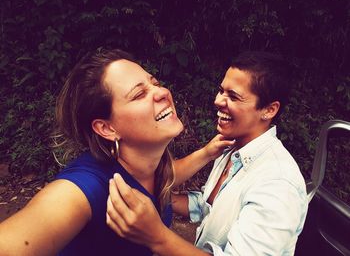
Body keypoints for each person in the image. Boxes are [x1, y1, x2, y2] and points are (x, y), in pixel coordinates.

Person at [0, 48, 234, 255]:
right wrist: (158, 238)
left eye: (155, 82)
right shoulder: (84, 189)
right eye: (139, 94)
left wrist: (207, 152)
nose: (162, 92)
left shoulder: (151, 166)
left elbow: (168, 175)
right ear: (107, 128)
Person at [106, 51, 309, 255]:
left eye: (233, 97)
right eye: (222, 91)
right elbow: (208, 206)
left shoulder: (277, 184)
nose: (218, 101)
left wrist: (157, 237)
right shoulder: (231, 148)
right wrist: (157, 195)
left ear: (269, 110)